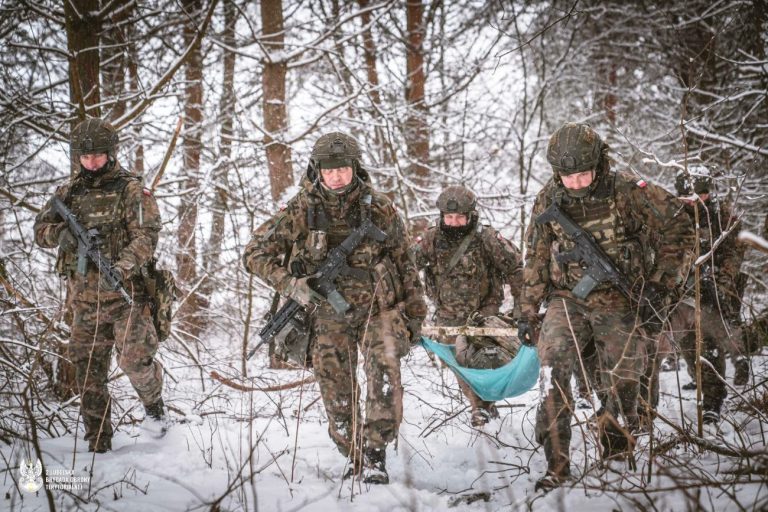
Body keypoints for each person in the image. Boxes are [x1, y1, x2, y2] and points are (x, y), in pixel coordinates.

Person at [242, 132, 426, 484]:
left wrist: (415, 313)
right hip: (327, 312)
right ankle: (352, 452)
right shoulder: (302, 208)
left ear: (354, 167)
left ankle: (375, 454)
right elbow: (254, 254)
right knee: (334, 385)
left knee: (384, 374)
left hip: (378, 308)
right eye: (329, 170)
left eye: (342, 168)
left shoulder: (380, 207)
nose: (336, 176)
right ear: (317, 170)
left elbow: (404, 261)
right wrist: (291, 284)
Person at [519, 123, 694, 491]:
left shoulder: (628, 191)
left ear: (599, 163)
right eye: (569, 177)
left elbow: (679, 225)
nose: (578, 183)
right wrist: (527, 309)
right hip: (567, 299)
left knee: (621, 379)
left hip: (620, 299)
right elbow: (535, 257)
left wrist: (661, 286)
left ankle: (616, 456)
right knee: (551, 371)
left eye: (584, 174)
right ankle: (556, 465)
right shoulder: (548, 198)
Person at [34, 118, 166, 453]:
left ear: (110, 152)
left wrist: (121, 267)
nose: (92, 162)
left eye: (98, 155)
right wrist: (60, 235)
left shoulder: (131, 190)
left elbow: (146, 237)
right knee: (88, 373)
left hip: (126, 296)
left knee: (135, 361)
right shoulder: (68, 193)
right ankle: (99, 442)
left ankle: (154, 408)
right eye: (86, 155)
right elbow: (40, 230)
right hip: (85, 301)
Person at [411, 184, 523, 427]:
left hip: (485, 311)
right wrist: (409, 307)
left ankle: (482, 406)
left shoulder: (487, 238)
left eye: (459, 217)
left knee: (481, 358)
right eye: (449, 217)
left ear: (471, 215)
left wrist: (523, 307)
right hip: (448, 315)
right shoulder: (431, 239)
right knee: (461, 363)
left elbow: (515, 268)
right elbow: (407, 268)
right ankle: (481, 405)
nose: (453, 222)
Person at [668, 169, 749, 399]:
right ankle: (701, 379)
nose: (693, 201)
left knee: (722, 332)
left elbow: (734, 253)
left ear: (707, 194)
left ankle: (724, 382)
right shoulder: (673, 216)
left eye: (699, 195)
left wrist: (722, 280)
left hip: (718, 284)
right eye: (687, 196)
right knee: (688, 341)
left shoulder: (721, 216)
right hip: (686, 290)